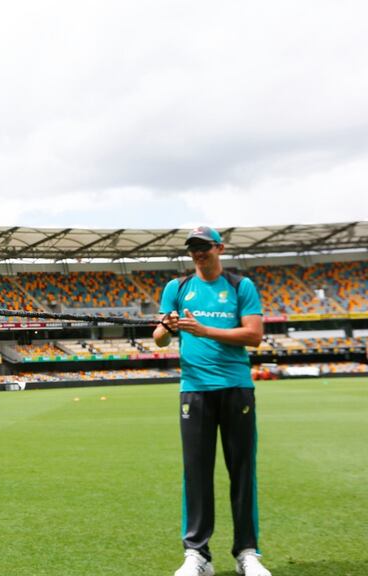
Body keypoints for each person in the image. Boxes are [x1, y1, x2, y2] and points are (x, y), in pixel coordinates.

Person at [153, 226, 270, 576]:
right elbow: (159, 339)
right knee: (197, 473)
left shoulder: (240, 286)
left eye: (204, 247)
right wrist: (169, 326)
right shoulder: (176, 288)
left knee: (242, 471)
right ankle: (197, 554)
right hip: (194, 389)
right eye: (193, 248)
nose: (199, 253)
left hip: (236, 387)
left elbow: (254, 336)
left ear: (220, 248)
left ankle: (247, 552)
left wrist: (205, 330)